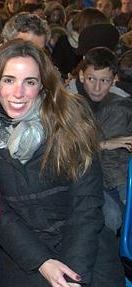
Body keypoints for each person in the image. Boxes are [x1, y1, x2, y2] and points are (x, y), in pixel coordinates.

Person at [0, 39, 124, 287]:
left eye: (29, 82)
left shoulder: (71, 123)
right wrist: (44, 262)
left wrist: (74, 275)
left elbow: (87, 204)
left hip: (83, 245)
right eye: (8, 80)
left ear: (42, 85)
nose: (18, 93)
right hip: (26, 253)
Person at [69, 47, 132, 231]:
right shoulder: (68, 103)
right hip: (81, 179)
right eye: (91, 79)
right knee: (111, 216)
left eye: (104, 81)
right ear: (81, 76)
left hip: (116, 175)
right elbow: (66, 148)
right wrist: (104, 144)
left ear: (114, 80)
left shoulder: (121, 104)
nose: (97, 88)